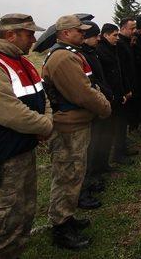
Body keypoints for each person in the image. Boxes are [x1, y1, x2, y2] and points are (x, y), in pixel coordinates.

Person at [0, 14, 52, 258]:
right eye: (29, 34)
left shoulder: (21, 63)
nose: (34, 39)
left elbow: (40, 98)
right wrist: (45, 126)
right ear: (10, 35)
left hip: (22, 154)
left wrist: (44, 122)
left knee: (22, 218)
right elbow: (10, 114)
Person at [42, 15, 111, 250]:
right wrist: (104, 106)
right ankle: (61, 229)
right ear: (64, 33)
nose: (83, 33)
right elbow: (83, 93)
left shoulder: (69, 53)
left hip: (76, 125)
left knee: (73, 175)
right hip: (68, 127)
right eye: (78, 30)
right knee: (66, 177)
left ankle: (67, 218)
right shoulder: (63, 58)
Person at [79, 21, 113, 208]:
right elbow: (89, 84)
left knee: (96, 144)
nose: (98, 38)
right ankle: (84, 189)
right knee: (88, 149)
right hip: (91, 108)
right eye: (95, 35)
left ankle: (93, 178)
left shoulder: (92, 53)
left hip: (101, 100)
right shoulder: (81, 55)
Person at [96, 23, 129, 167]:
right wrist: (112, 95)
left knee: (121, 125)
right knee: (109, 130)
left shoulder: (113, 48)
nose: (117, 38)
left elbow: (119, 71)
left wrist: (124, 90)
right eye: (114, 35)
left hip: (118, 94)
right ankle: (109, 159)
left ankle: (119, 153)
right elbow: (104, 77)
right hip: (110, 96)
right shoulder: (100, 51)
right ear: (105, 35)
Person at [115, 18, 138, 160]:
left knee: (125, 120)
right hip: (124, 89)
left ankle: (123, 146)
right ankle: (119, 151)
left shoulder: (127, 43)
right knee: (121, 121)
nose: (134, 31)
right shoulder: (119, 44)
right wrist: (126, 88)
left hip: (130, 85)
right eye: (131, 28)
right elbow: (121, 69)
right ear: (123, 28)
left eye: (135, 28)